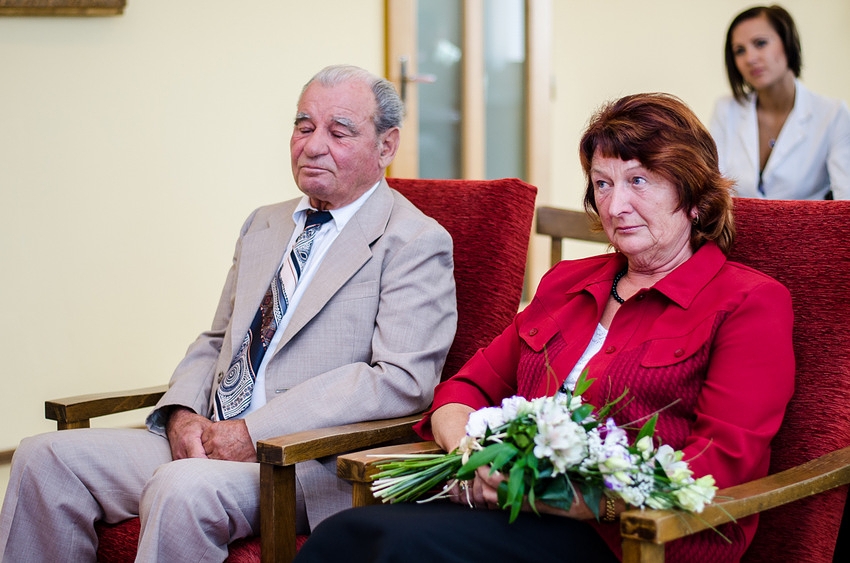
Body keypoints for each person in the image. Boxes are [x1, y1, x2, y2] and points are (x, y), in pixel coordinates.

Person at [294, 93, 795, 563]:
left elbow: (721, 463)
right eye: (603, 184)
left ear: (695, 198)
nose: (615, 205)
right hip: (513, 509)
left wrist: (572, 497)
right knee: (342, 534)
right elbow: (463, 390)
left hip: (630, 536)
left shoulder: (748, 302)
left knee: (392, 546)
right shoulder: (567, 284)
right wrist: (474, 455)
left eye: (638, 181)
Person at [0, 64, 458, 562]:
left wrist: (253, 433)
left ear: (386, 146)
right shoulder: (265, 223)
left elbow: (400, 380)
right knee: (44, 459)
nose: (313, 146)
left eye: (338, 131)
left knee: (181, 488)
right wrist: (180, 415)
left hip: (302, 462)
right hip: (211, 435)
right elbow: (218, 340)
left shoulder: (414, 241)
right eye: (304, 127)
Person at [709, 4, 850, 200]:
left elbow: (846, 200)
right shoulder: (726, 110)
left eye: (760, 43)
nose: (750, 58)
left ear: (787, 43)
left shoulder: (833, 115)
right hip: (736, 221)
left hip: (806, 221)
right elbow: (715, 190)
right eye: (739, 51)